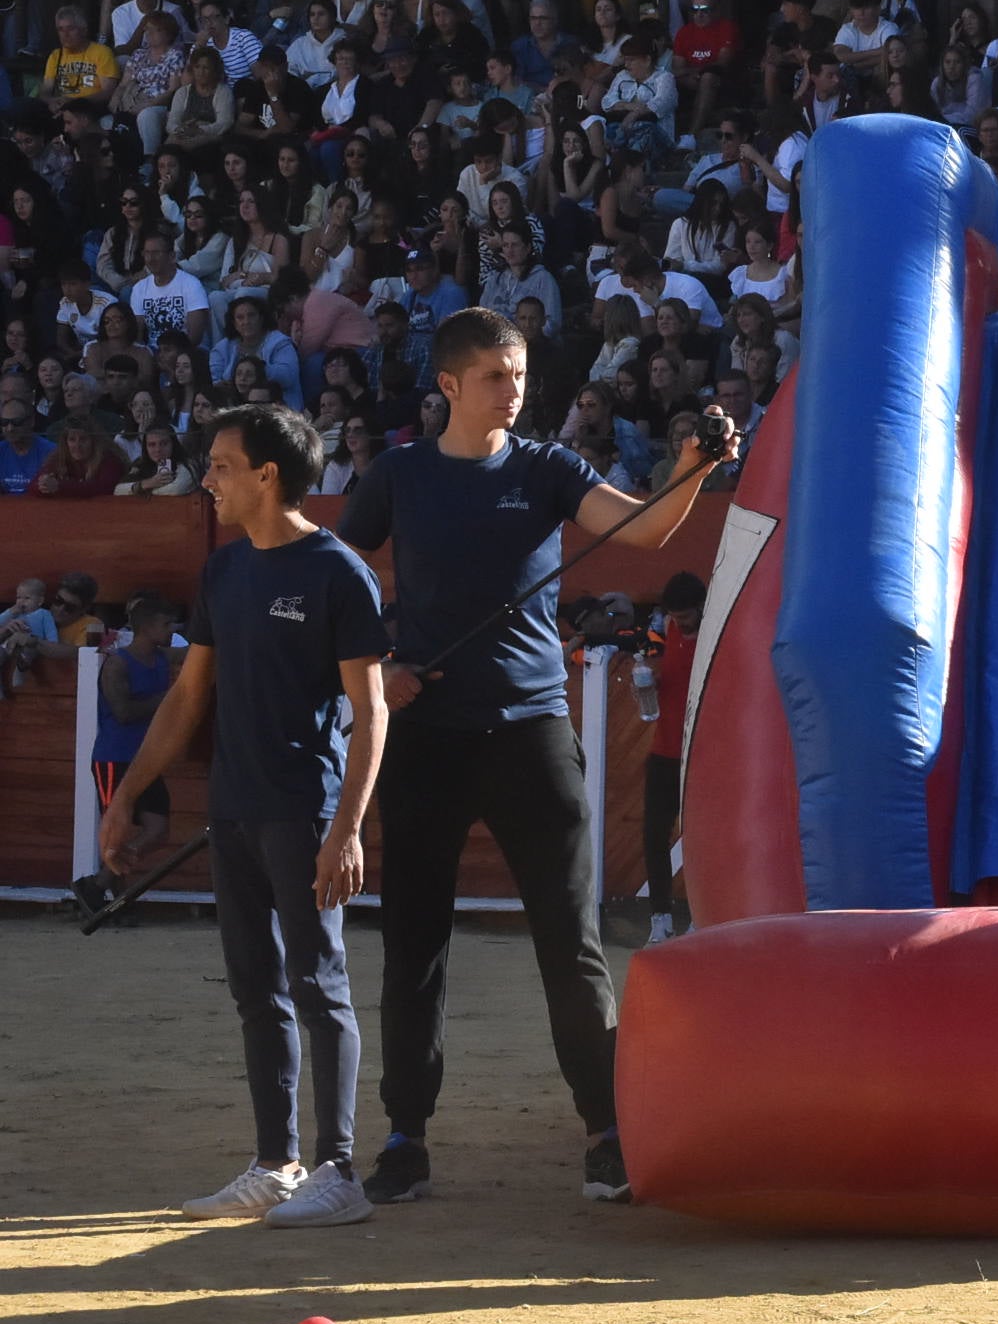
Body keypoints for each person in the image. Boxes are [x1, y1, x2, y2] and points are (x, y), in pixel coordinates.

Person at [337, 308, 734, 1208]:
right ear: (448, 385)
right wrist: (381, 663)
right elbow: (338, 570)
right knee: (414, 943)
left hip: (530, 729)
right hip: (429, 735)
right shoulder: (398, 474)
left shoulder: (549, 467)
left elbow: (643, 534)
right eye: (495, 377)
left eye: (519, 376)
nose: (514, 392)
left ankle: (606, 1131)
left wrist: (692, 470)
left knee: (571, 939)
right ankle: (406, 1135)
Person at [96, 408, 389, 1228]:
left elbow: (372, 713)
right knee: (256, 988)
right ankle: (276, 1163)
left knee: (318, 981)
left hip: (305, 809)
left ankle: (340, 1171)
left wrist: (348, 827)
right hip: (235, 808)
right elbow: (189, 697)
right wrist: (126, 796)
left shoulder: (338, 572)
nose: (209, 479)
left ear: (267, 475)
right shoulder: (222, 574)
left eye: (222, 465)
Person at [89, 595, 184, 870]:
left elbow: (202, 651)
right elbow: (124, 712)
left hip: (145, 758)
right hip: (114, 757)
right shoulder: (117, 663)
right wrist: (169, 699)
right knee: (115, 831)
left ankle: (98, 886)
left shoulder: (161, 656)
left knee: (158, 830)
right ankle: (108, 898)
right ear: (147, 628)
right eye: (166, 624)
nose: (172, 630)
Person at [638, 571, 706, 944]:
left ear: (700, 607)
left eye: (684, 616)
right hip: (664, 748)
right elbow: (672, 677)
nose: (679, 623)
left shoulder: (718, 633)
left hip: (700, 751)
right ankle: (660, 918)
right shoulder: (670, 628)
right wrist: (649, 683)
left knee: (698, 838)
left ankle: (700, 916)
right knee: (654, 835)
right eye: (675, 617)